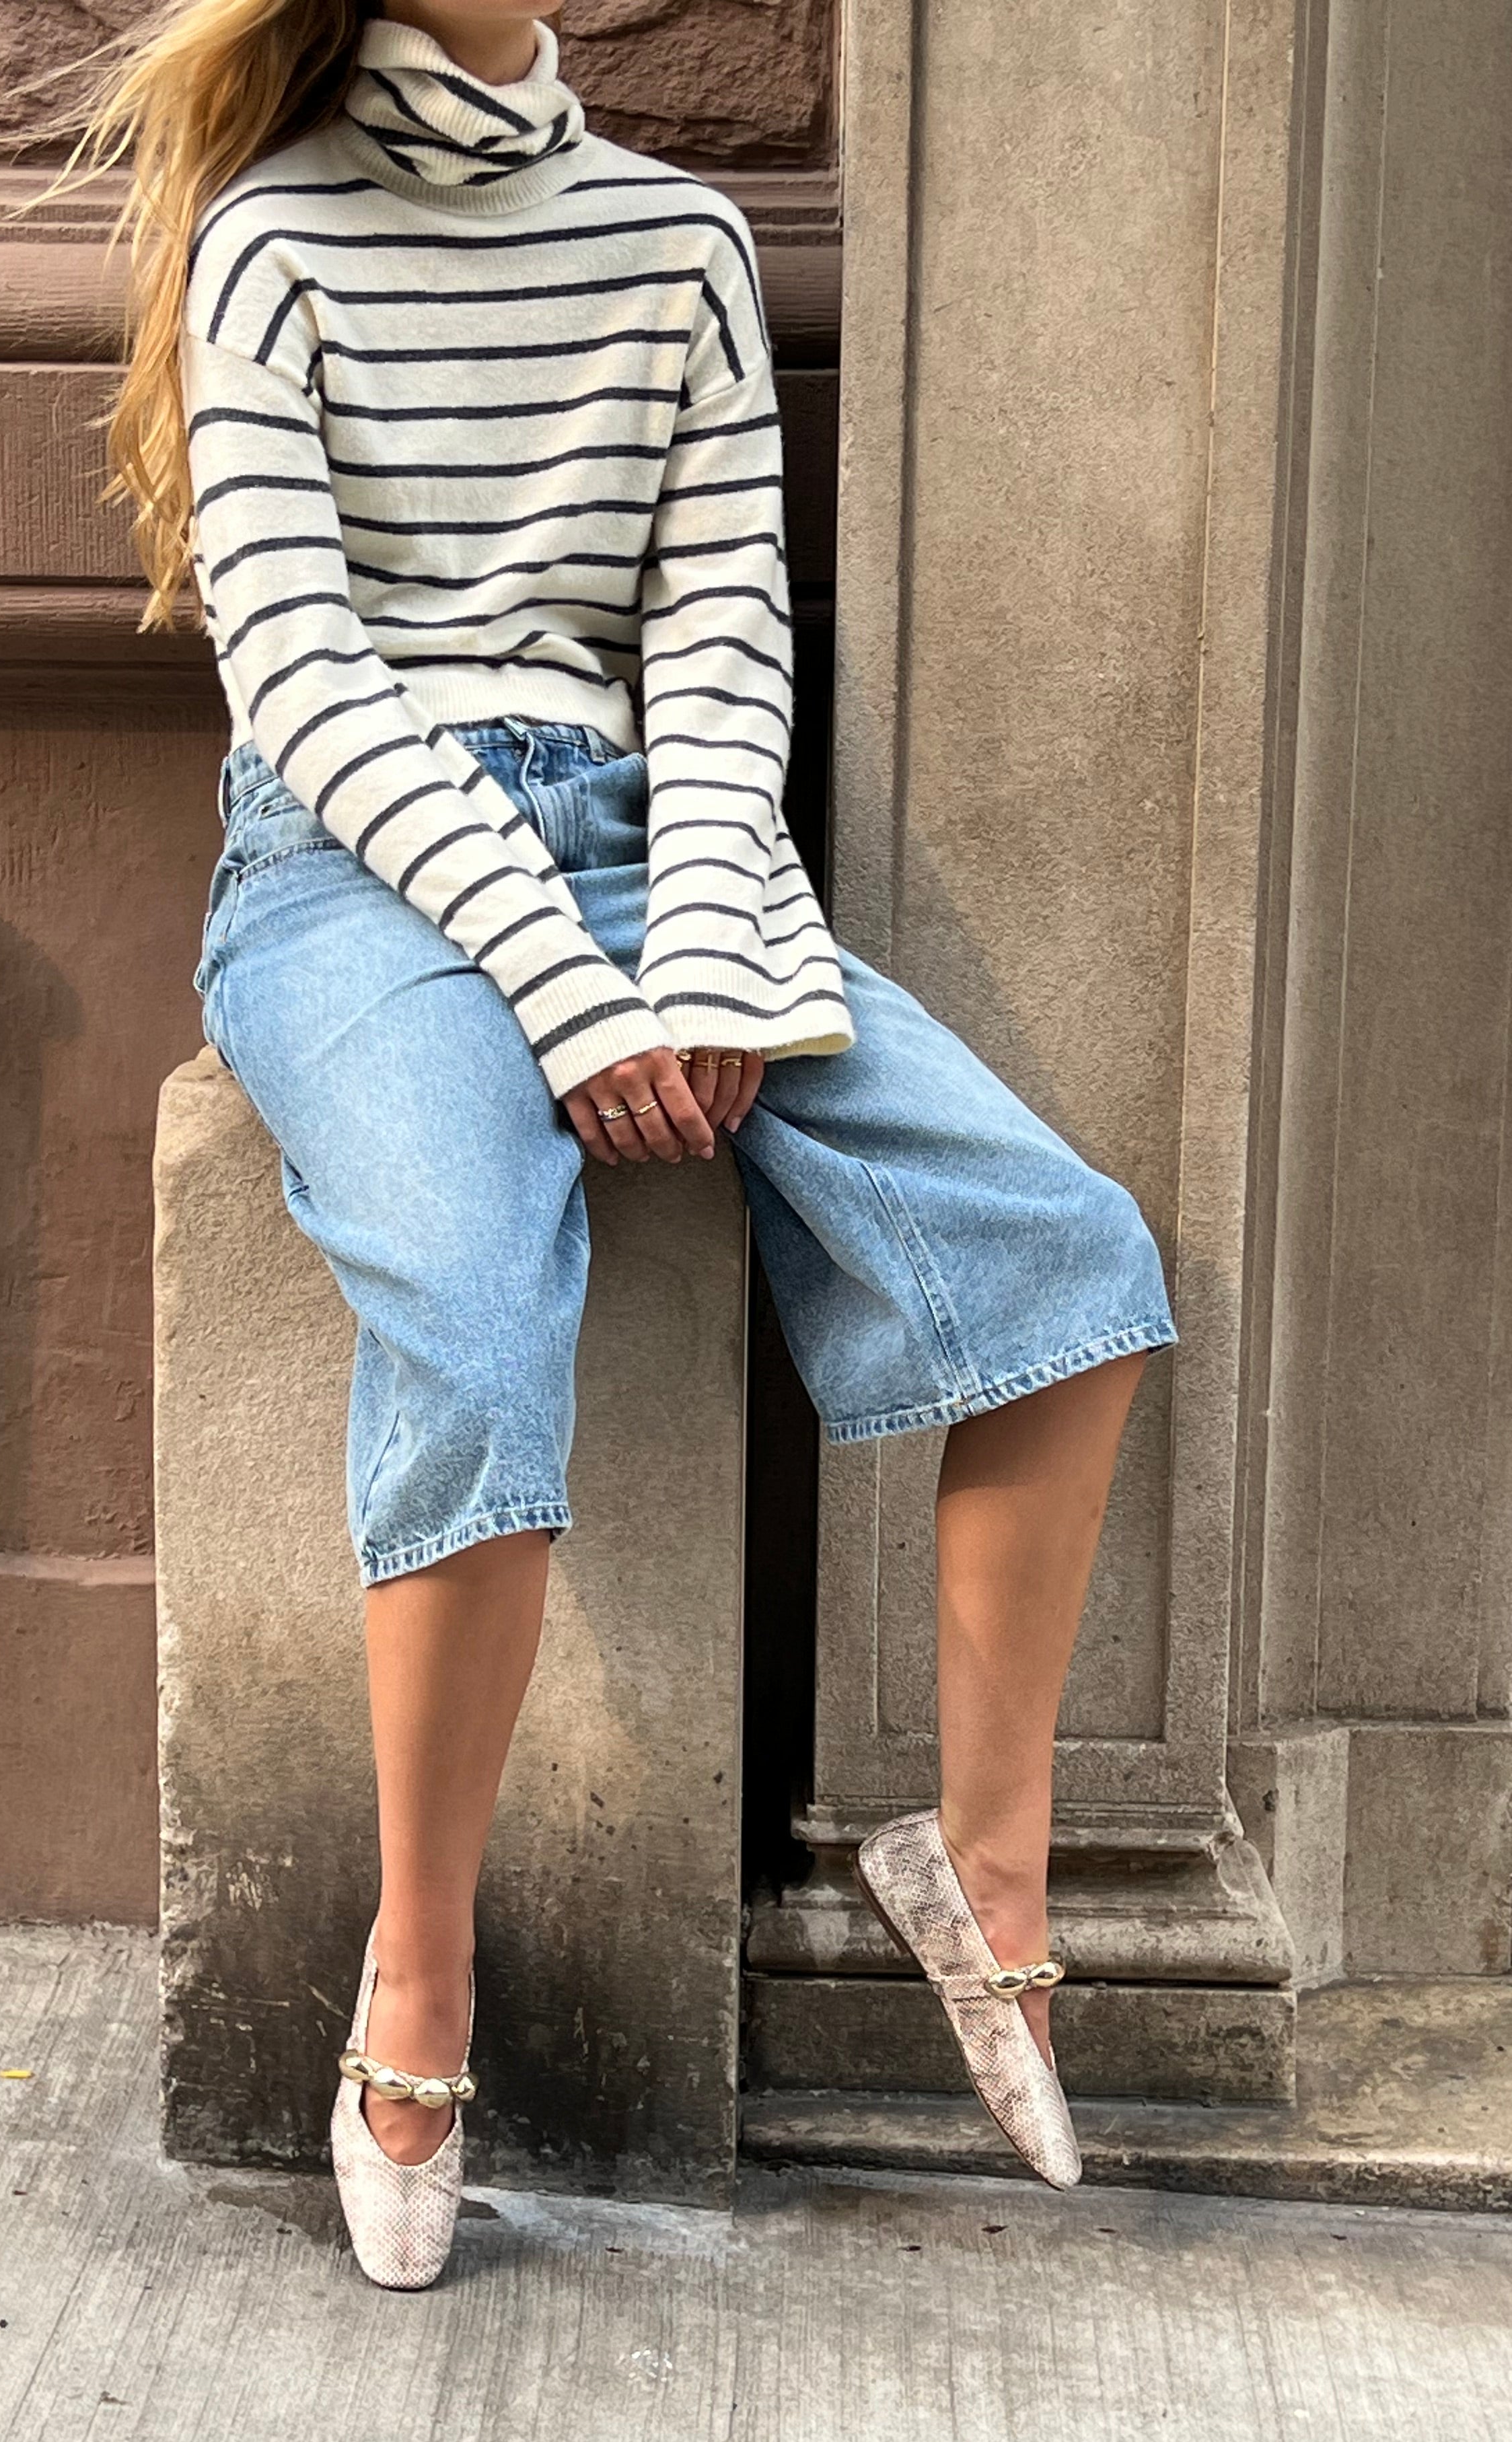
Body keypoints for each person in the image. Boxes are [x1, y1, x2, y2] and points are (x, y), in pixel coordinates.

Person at [63, 0, 1177, 2286]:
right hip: (347, 875)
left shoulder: (681, 243)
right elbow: (303, 679)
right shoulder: (274, 238)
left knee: (1072, 1259)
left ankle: (985, 1868)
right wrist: (564, 995)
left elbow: (723, 632)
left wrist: (707, 950)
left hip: (649, 844)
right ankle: (418, 1983)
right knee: (476, 1321)